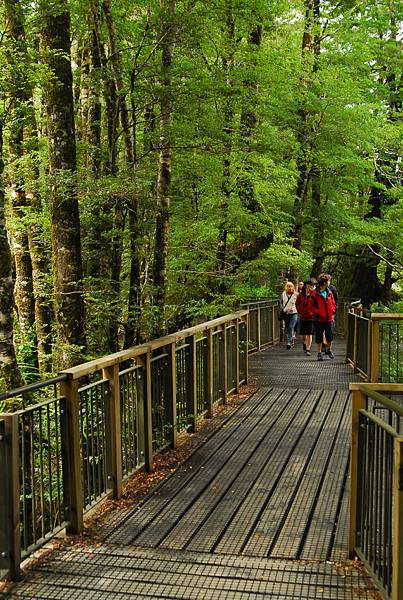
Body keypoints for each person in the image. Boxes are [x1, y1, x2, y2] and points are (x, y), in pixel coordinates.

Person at [309, 274, 336, 361]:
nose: (329, 283)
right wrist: (319, 312)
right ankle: (319, 353)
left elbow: (333, 303)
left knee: (330, 336)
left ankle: (329, 349)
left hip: (328, 318)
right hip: (318, 318)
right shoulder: (315, 293)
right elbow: (311, 306)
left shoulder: (330, 292)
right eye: (328, 281)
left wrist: (332, 310)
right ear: (324, 282)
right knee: (319, 336)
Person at [296, 279, 315, 356]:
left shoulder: (314, 294)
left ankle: (308, 349)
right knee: (304, 334)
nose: (308, 287)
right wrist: (300, 310)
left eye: (310, 285)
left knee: (309, 333)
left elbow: (316, 304)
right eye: (307, 285)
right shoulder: (301, 295)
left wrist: (313, 312)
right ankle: (304, 343)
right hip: (303, 316)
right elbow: (297, 303)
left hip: (311, 317)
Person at [280, 281, 298, 349]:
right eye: (288, 286)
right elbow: (281, 303)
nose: (289, 287)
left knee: (291, 327)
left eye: (290, 286)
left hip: (294, 313)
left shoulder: (296, 294)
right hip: (286, 313)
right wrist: (282, 309)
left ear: (293, 287)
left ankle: (289, 342)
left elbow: (299, 303)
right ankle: (292, 338)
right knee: (288, 327)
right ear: (285, 287)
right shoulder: (283, 294)